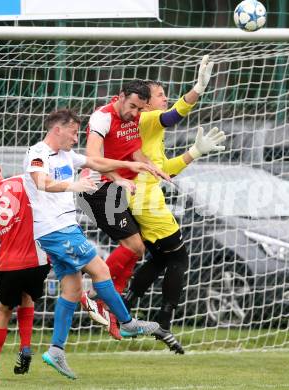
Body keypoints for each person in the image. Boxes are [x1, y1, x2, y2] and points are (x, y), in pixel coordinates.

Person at [80, 56, 225, 352]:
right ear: (142, 102)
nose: (165, 99)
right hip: (138, 197)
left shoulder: (142, 128)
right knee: (178, 257)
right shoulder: (142, 118)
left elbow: (162, 167)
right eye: (160, 95)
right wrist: (198, 88)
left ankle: (123, 305)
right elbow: (173, 115)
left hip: (139, 192)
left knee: (154, 256)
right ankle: (149, 316)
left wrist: (194, 152)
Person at [23, 108, 160, 380]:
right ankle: (128, 322)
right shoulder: (37, 153)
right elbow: (41, 182)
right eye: (74, 133)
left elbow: (98, 163)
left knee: (72, 290)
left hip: (63, 229)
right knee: (101, 270)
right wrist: (75, 187)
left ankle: (56, 350)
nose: (76, 138)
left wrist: (134, 166)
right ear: (57, 129)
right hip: (57, 231)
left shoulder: (67, 156)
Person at [0, 157, 50, 381]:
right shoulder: (21, 180)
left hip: (9, 263)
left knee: (4, 310)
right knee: (27, 296)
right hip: (37, 259)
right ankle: (26, 346)